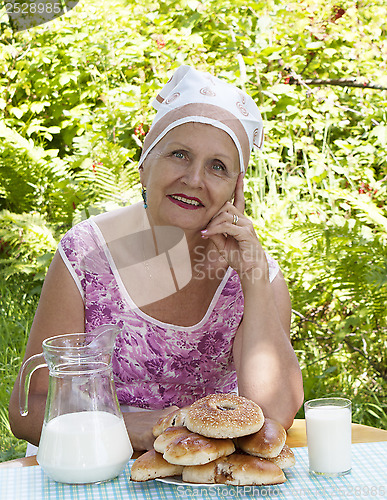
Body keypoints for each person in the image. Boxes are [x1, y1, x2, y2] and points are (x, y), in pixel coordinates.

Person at [9, 65, 304, 452]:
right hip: (89, 461)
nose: (194, 179)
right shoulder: (87, 255)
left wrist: (252, 276)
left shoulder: (254, 272)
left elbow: (273, 417)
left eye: (218, 167)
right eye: (179, 155)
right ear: (145, 164)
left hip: (207, 472)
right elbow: (28, 411)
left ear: (236, 188)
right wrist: (126, 429)